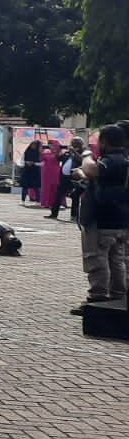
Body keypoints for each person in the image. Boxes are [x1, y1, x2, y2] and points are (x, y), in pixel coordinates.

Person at [72, 124, 129, 313]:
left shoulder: (113, 160)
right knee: (116, 259)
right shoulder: (123, 159)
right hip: (118, 218)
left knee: (97, 259)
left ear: (104, 142)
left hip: (101, 218)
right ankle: (117, 296)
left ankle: (98, 297)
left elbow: (93, 170)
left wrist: (86, 154)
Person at [52, 138, 90, 220]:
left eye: (75, 142)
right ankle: (54, 214)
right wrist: (56, 151)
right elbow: (58, 158)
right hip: (64, 178)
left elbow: (81, 160)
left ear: (79, 143)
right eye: (72, 142)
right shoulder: (67, 153)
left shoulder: (84, 152)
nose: (72, 144)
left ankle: (74, 215)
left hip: (75, 178)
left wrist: (74, 152)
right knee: (58, 195)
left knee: (75, 196)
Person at [40, 139, 61, 209]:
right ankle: (46, 202)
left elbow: (60, 159)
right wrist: (40, 151)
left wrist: (56, 152)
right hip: (46, 172)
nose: (50, 146)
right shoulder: (46, 152)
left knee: (55, 187)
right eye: (50, 144)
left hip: (55, 172)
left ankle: (55, 202)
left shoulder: (60, 153)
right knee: (46, 187)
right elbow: (40, 159)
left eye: (52, 144)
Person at [20, 139, 43, 205]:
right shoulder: (26, 152)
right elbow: (21, 161)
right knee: (25, 186)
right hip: (26, 171)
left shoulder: (39, 153)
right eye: (32, 144)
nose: (33, 146)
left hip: (35, 171)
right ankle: (22, 200)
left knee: (36, 187)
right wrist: (26, 162)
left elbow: (42, 163)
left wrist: (34, 163)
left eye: (35, 145)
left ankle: (38, 201)